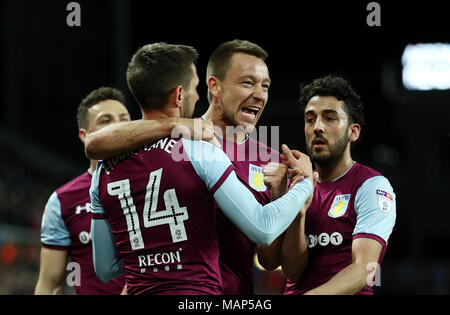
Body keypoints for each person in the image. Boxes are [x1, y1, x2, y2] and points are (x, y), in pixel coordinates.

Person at [89, 42, 314, 295]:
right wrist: (306, 184)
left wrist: (281, 198)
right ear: (213, 87)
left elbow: (269, 260)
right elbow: (96, 143)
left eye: (265, 86)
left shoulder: (271, 159)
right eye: (248, 83)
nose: (260, 94)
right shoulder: (195, 143)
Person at [257, 75, 397, 295]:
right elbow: (287, 269)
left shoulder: (371, 186)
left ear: (354, 131)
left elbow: (364, 270)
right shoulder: (296, 184)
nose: (317, 127)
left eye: (330, 118)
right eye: (310, 119)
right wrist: (291, 206)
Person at [34, 87, 129, 295]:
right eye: (106, 120)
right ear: (85, 136)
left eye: (125, 119)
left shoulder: (157, 180)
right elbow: (49, 286)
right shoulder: (62, 201)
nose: (119, 126)